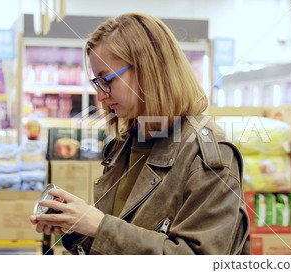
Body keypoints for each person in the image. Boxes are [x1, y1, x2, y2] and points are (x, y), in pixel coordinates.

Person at [29, 12, 249, 255]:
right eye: (97, 83)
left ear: (148, 70)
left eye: (107, 80)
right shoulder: (123, 145)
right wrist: (76, 227)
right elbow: (120, 245)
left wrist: (100, 226)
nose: (101, 95)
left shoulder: (208, 156)